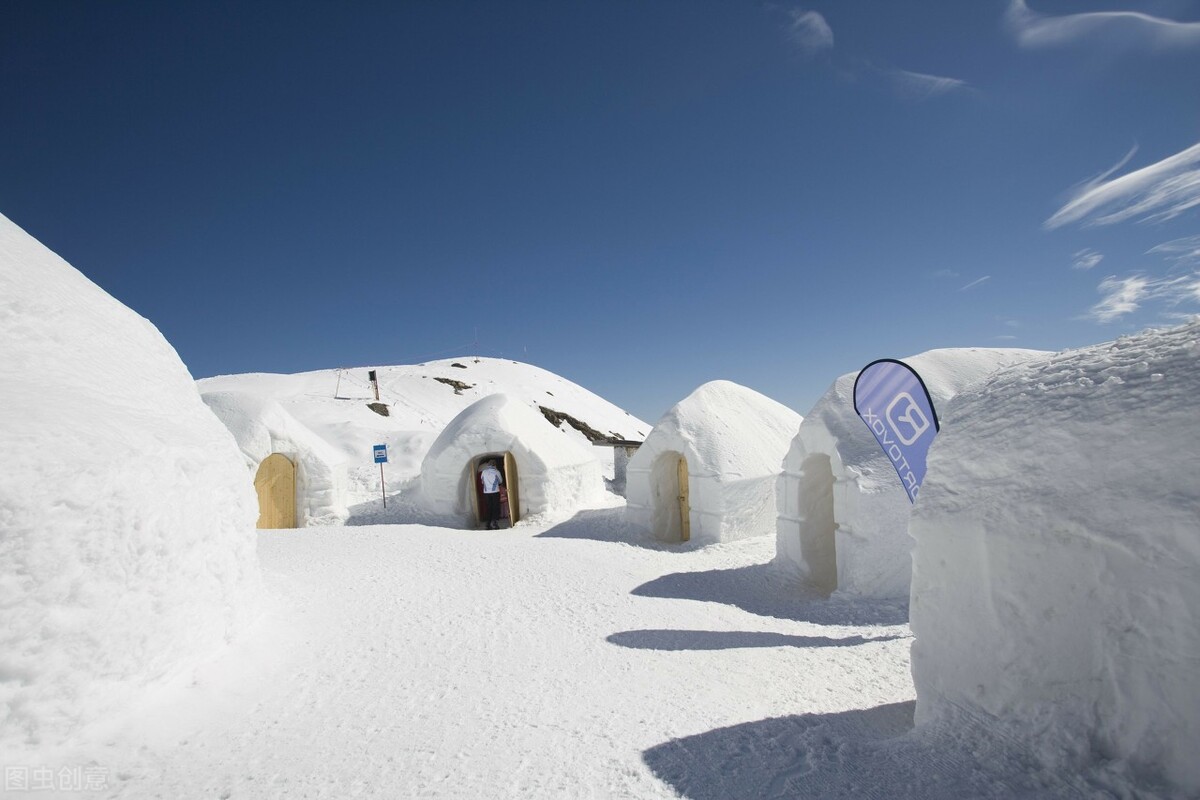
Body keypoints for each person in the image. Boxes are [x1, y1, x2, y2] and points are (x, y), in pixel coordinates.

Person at [479, 460, 504, 529]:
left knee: (489, 507)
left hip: (486, 492)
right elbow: (500, 481)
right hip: (495, 491)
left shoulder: (484, 472)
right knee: (495, 507)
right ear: (494, 465)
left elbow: (482, 481)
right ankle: (494, 522)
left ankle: (488, 523)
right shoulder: (496, 472)